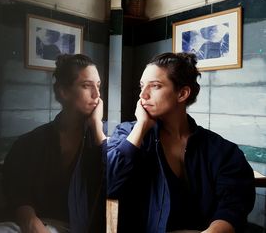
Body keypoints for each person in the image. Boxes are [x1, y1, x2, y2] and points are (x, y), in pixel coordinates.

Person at [107, 52, 255, 233]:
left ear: (182, 93)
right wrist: (141, 127)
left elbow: (234, 205)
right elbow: (105, 184)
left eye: (155, 86)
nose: (142, 95)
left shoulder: (222, 151)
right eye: (142, 86)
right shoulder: (128, 135)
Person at [0, 54, 106, 233]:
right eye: (86, 86)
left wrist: (97, 127)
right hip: (42, 223)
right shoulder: (31, 142)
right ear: (63, 91)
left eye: (98, 86)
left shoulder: (103, 140)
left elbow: (114, 181)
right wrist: (30, 221)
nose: (97, 95)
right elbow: (18, 193)